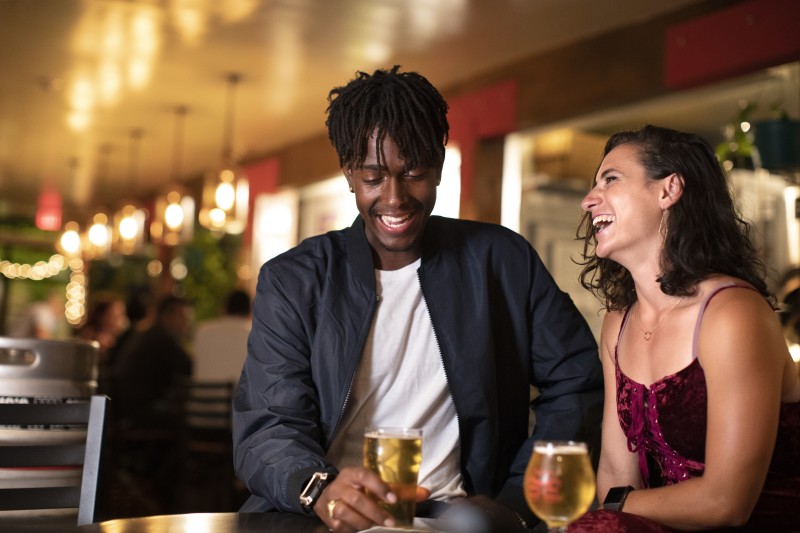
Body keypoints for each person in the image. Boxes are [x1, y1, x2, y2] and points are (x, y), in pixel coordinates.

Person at [232, 65, 604, 533]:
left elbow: (576, 383)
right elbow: (269, 424)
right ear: (349, 174)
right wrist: (319, 488)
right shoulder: (294, 280)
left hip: (458, 519)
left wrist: (516, 503)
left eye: (414, 173)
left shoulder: (502, 261)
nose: (395, 198)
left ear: (439, 167)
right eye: (373, 177)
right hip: (324, 517)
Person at [572, 125, 800, 531]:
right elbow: (615, 473)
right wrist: (610, 511)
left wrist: (613, 509)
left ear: (669, 190)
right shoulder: (617, 324)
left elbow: (726, 503)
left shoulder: (731, 312)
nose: (589, 199)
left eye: (610, 179)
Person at [193, 289, 251, 383]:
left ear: (224, 309)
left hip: (204, 391)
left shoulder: (202, 331)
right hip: (243, 392)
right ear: (250, 311)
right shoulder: (257, 333)